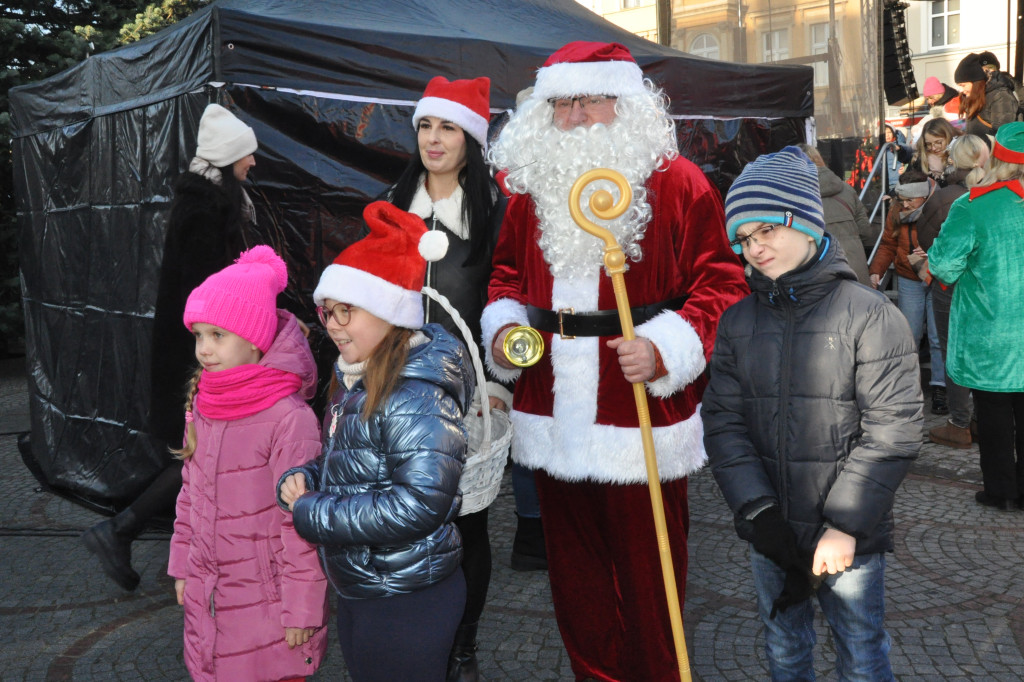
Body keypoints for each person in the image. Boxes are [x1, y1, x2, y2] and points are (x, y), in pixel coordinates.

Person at [481, 41, 748, 680]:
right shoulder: (530, 189)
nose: (573, 117)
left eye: (588, 100)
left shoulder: (676, 181)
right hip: (551, 410)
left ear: (624, 102)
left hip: (637, 413)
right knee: (576, 585)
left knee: (650, 582)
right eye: (561, 102)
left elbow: (723, 285)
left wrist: (665, 348)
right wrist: (505, 333)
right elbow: (506, 278)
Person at [702, 146, 922, 681]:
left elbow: (892, 430)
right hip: (772, 528)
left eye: (766, 231)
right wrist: (757, 512)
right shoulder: (736, 322)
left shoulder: (870, 315)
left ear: (804, 221)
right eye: (744, 239)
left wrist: (844, 525)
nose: (755, 248)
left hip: (848, 536)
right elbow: (724, 422)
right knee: (783, 645)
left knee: (861, 650)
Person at [279, 201, 474, 682]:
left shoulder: (414, 395)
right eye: (328, 312)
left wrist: (313, 512)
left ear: (391, 312)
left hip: (407, 594)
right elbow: (348, 461)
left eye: (349, 312)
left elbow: (419, 503)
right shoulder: (355, 377)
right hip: (368, 583)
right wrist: (306, 477)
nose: (334, 325)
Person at [82, 103, 259, 591]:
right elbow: (205, 293)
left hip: (197, 348)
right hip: (198, 353)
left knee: (198, 453)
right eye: (248, 155)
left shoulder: (211, 202)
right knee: (200, 454)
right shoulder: (206, 209)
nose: (254, 164)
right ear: (228, 157)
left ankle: (128, 533)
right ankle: (120, 530)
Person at [384, 74, 511, 681]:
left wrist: (498, 379)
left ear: (472, 139)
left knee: (467, 524)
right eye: (426, 126)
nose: (434, 139)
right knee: (400, 518)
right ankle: (410, 639)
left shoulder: (497, 214)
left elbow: (511, 303)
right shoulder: (389, 203)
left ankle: (463, 645)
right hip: (394, 391)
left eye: (449, 127)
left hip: (468, 397)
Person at [168, 245, 329, 681]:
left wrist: (301, 607)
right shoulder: (203, 403)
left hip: (270, 609)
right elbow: (190, 494)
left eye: (218, 335)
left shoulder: (288, 417)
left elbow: (303, 521)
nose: (204, 348)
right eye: (198, 334)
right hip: (211, 601)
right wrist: (182, 564)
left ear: (255, 338)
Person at [928, 122, 1024, 511]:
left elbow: (945, 266)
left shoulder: (974, 206)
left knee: (995, 414)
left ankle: (1002, 492)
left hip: (991, 335)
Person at [915, 134, 989, 449]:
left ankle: (959, 422)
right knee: (984, 350)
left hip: (950, 284)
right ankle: (982, 419)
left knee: (952, 352)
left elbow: (926, 237)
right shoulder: (998, 195)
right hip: (986, 283)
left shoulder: (945, 198)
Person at [869, 168, 948, 414]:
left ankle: (940, 388)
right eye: (901, 199)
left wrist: (933, 254)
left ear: (923, 196)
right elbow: (888, 243)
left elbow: (953, 243)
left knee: (937, 337)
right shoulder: (896, 210)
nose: (903, 204)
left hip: (936, 278)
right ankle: (908, 387)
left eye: (908, 200)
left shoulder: (941, 207)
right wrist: (876, 270)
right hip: (908, 277)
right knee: (909, 335)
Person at [797, 143, 873, 285]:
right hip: (855, 270)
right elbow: (866, 232)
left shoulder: (794, 196)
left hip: (819, 274)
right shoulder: (846, 189)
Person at [956, 53, 1017, 138]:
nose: (962, 90)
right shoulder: (973, 98)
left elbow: (1002, 135)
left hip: (990, 150)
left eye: (963, 85)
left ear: (975, 83)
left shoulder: (1000, 96)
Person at [897, 117, 959, 185]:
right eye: (928, 144)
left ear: (949, 137)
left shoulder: (962, 158)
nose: (933, 148)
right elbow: (906, 186)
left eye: (938, 142)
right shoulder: (919, 160)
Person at [910, 77, 961, 144]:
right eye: (927, 99)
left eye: (931, 98)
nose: (929, 101)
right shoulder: (935, 108)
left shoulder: (953, 104)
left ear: (939, 95)